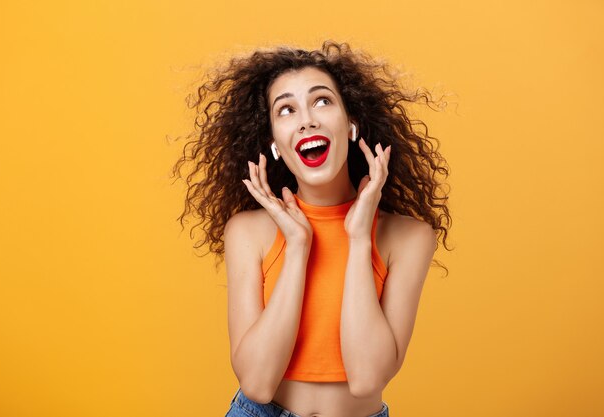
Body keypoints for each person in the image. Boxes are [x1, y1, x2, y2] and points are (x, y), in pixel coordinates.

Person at [172, 40, 452, 417]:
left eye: (322, 101)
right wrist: (298, 246)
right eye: (286, 109)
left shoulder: (408, 237)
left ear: (351, 123)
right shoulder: (247, 232)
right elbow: (256, 383)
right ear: (273, 142)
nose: (307, 119)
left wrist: (358, 238)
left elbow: (367, 378)